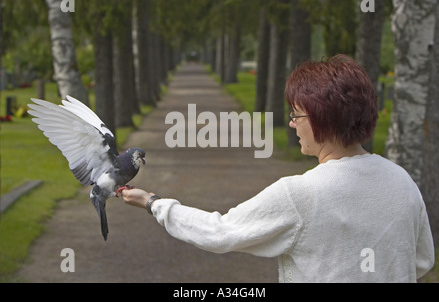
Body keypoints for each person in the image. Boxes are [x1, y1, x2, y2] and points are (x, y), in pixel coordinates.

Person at [120, 54, 435, 282]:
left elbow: (219, 233)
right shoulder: (401, 180)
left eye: (297, 116)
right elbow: (422, 261)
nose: (292, 124)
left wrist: (153, 203)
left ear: (319, 119)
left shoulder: (300, 194)